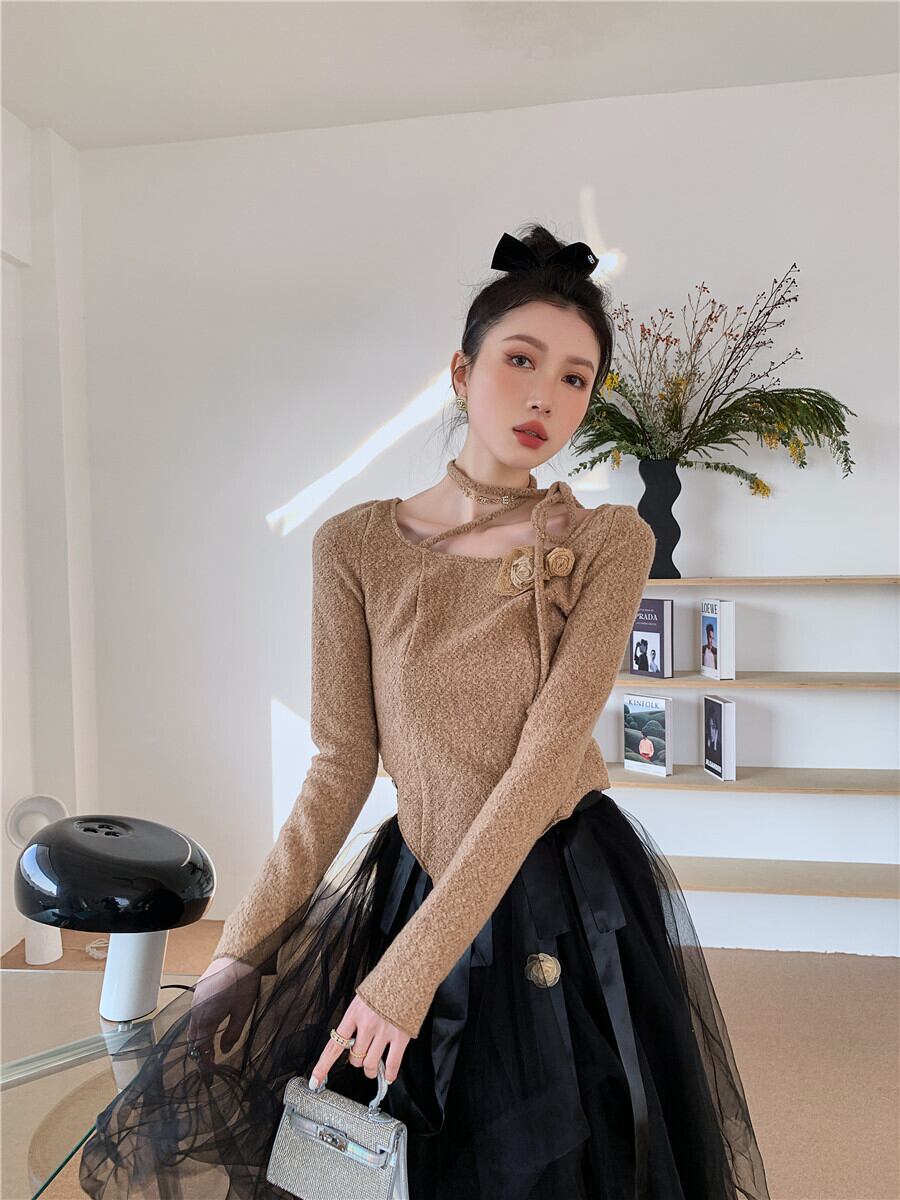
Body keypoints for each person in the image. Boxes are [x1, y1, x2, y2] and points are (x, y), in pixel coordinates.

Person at [79, 224, 770, 1200]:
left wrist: (406, 981)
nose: (545, 397)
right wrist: (245, 946)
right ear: (461, 371)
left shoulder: (611, 541)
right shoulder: (353, 545)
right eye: (521, 360)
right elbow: (340, 762)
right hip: (417, 876)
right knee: (372, 1151)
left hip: (558, 885)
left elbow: (544, 759)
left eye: (575, 378)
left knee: (561, 1153)